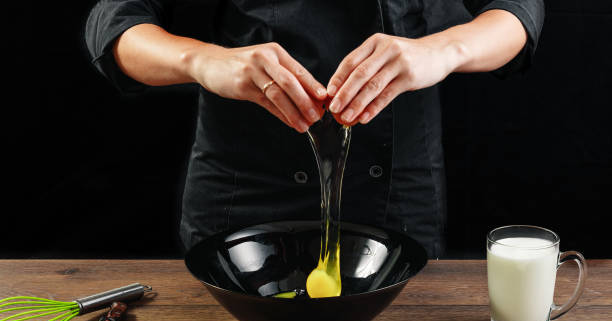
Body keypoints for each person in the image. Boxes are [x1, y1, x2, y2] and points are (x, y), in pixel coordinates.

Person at [85, 0, 544, 258]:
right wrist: (203, 60)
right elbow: (114, 23)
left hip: (396, 197)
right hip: (244, 197)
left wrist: (443, 50)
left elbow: (519, 12)